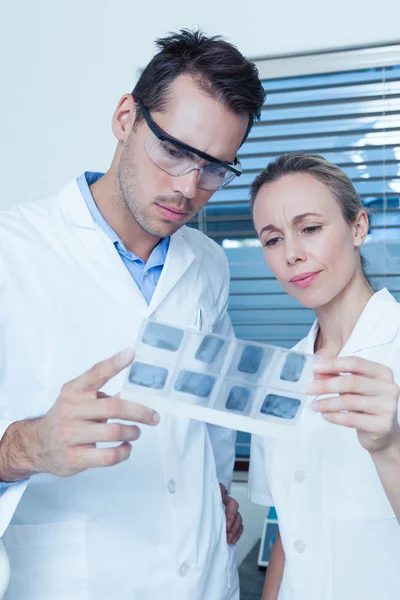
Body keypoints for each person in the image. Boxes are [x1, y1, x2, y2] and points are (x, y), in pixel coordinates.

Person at [0, 30, 266, 600]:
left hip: (202, 578)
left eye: (216, 168)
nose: (187, 188)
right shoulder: (12, 250)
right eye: (173, 150)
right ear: (126, 117)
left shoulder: (209, 264)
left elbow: (209, 417)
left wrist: (214, 490)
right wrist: (26, 447)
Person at [249, 152, 400, 600]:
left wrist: (389, 447)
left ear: (359, 227)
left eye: (310, 229)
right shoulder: (278, 376)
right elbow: (289, 529)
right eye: (272, 239)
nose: (293, 254)